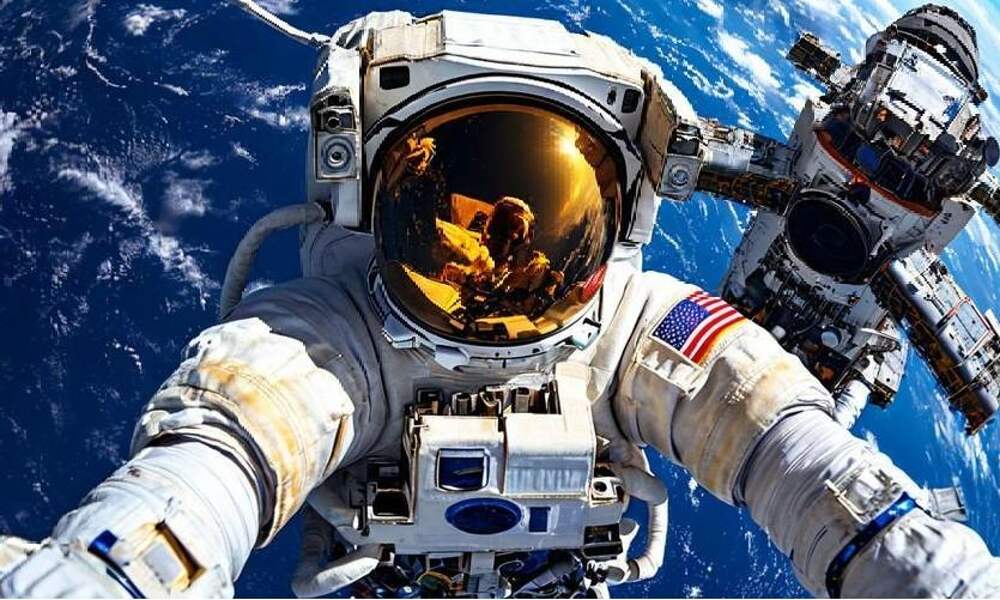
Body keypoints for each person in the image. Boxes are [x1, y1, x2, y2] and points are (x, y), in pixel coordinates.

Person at [2, 6, 999, 599]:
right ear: (383, 205)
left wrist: (924, 571)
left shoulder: (632, 323)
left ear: (610, 221)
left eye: (549, 223)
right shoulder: (330, 335)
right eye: (467, 209)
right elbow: (208, 469)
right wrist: (106, 571)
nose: (503, 267)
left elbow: (799, 458)